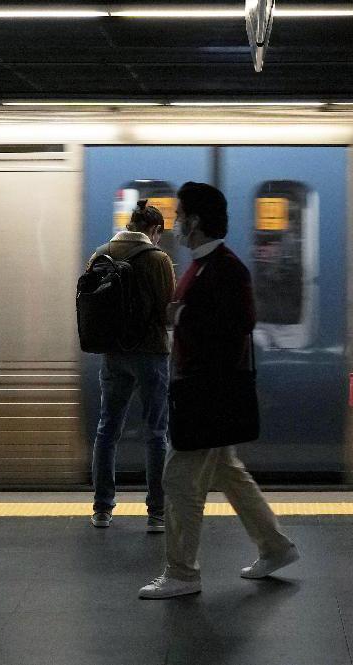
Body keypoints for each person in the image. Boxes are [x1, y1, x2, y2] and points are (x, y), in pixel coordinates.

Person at [139, 182, 299, 599]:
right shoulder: (200, 265)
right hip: (197, 388)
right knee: (229, 472)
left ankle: (182, 573)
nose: (174, 223)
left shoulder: (227, 267)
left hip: (207, 391)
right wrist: (182, 315)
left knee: (177, 479)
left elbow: (240, 324)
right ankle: (276, 547)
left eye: (179, 215)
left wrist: (183, 315)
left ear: (194, 221)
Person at [87, 200, 176, 531]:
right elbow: (168, 309)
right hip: (151, 354)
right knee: (155, 432)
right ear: (153, 231)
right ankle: (156, 512)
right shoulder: (158, 260)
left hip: (113, 355)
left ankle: (102, 509)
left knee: (107, 429)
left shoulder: (100, 254)